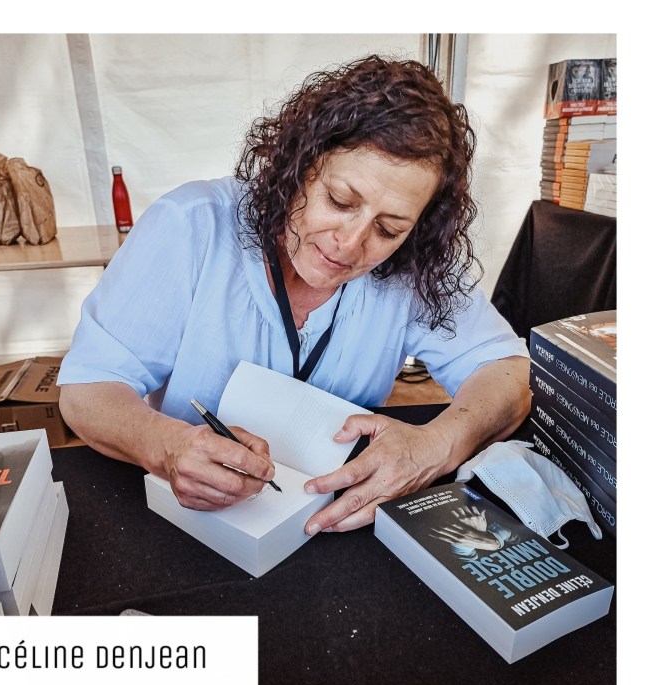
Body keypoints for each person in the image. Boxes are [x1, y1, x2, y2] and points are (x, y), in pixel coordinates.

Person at [58, 54, 531, 536]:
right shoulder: (192, 226)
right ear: (299, 164)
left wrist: (437, 446)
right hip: (189, 524)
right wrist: (167, 446)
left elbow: (507, 372)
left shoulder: (416, 261)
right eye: (340, 201)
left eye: (388, 229)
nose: (350, 243)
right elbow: (87, 391)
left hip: (329, 524)